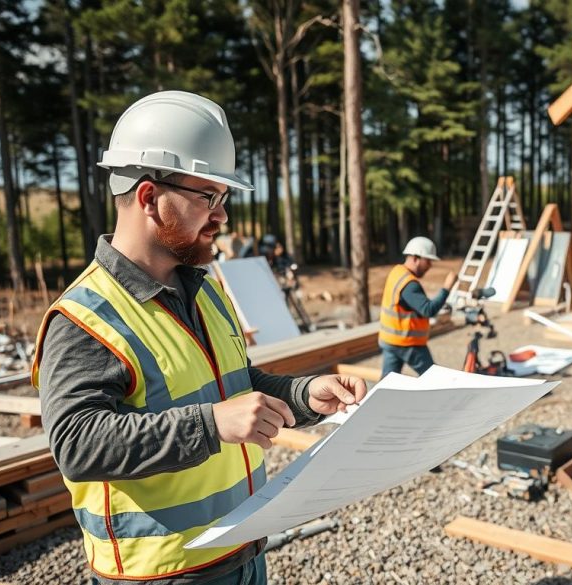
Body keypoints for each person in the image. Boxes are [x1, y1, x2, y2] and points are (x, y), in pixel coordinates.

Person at [32, 91, 367, 584]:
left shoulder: (205, 290)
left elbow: (232, 387)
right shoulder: (84, 317)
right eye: (206, 197)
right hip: (164, 574)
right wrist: (211, 424)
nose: (222, 216)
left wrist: (303, 396)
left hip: (244, 550)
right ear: (149, 197)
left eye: (223, 199)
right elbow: (77, 443)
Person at [378, 237, 457, 378]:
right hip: (407, 342)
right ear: (415, 258)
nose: (430, 265)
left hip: (390, 339)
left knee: (387, 383)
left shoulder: (397, 272)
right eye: (428, 261)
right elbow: (428, 310)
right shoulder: (410, 284)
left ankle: (378, 400)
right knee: (434, 379)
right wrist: (447, 287)